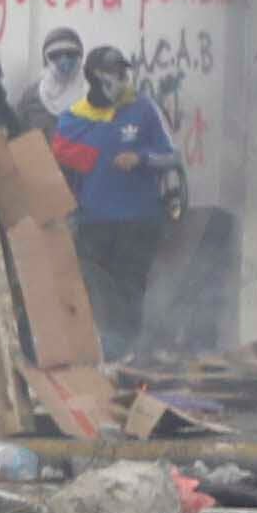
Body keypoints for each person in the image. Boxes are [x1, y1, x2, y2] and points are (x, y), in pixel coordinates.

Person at [50, 45, 187, 355]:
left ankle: (125, 355)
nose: (122, 78)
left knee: (129, 288)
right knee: (92, 290)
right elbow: (60, 171)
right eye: (114, 72)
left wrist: (140, 158)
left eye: (124, 71)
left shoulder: (143, 109)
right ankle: (95, 353)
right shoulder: (72, 120)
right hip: (92, 223)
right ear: (94, 77)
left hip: (138, 221)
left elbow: (172, 157)